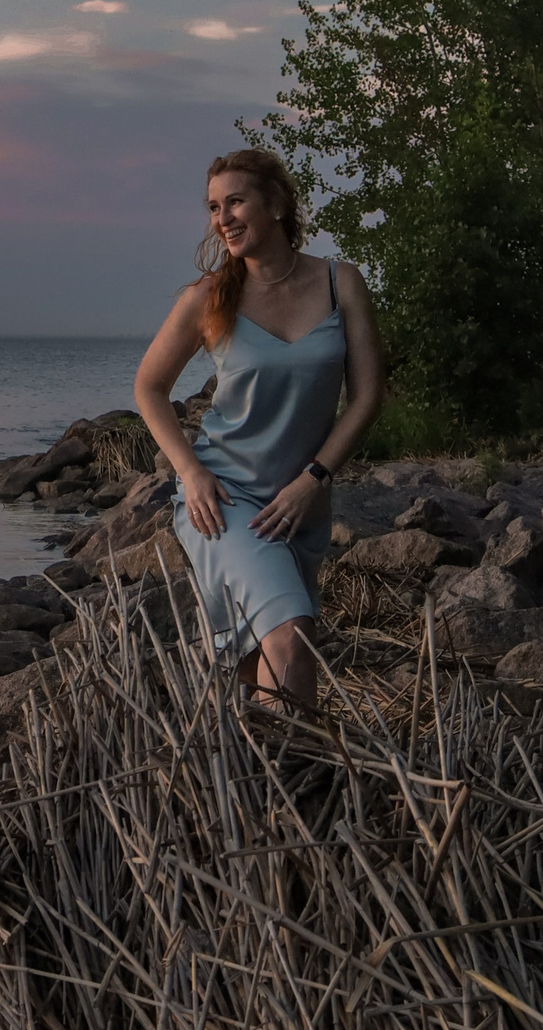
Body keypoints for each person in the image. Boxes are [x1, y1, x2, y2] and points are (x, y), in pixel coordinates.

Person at [133, 149, 384, 710]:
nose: (223, 218)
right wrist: (190, 472)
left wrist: (314, 478)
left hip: (301, 503)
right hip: (225, 498)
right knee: (292, 634)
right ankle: (285, 777)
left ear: (276, 204)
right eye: (215, 207)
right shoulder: (208, 298)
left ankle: (257, 772)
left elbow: (368, 396)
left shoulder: (341, 283)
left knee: (266, 655)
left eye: (236, 201)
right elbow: (149, 389)